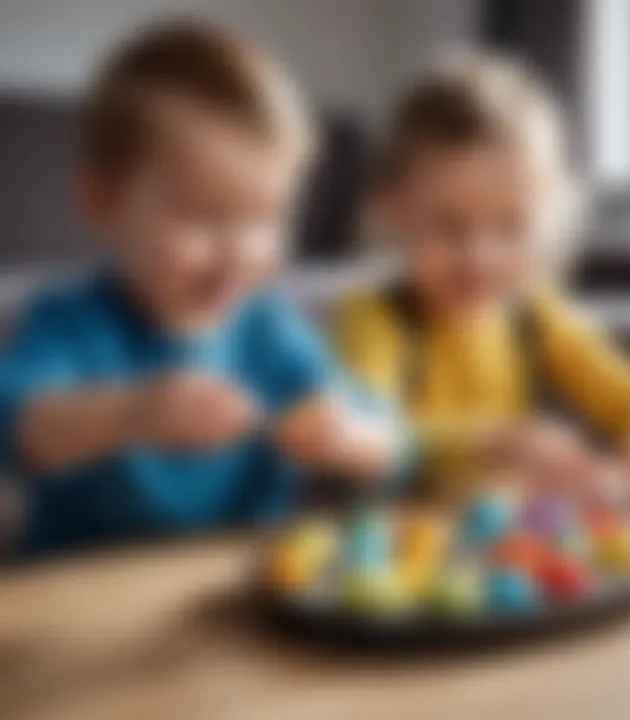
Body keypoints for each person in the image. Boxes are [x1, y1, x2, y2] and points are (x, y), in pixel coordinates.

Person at [0, 22, 405, 556]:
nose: (239, 250)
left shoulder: (269, 329)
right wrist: (130, 413)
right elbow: (12, 422)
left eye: (265, 219)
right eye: (203, 216)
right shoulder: (69, 321)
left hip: (236, 599)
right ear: (103, 201)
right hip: (83, 597)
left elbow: (393, 436)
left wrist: (350, 439)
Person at [335, 50, 630, 508]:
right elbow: (365, 430)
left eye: (511, 228)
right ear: (393, 211)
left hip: (507, 549)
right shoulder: (372, 318)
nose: (479, 256)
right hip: (397, 549)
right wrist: (494, 442)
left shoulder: (535, 316)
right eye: (449, 226)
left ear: (550, 221)